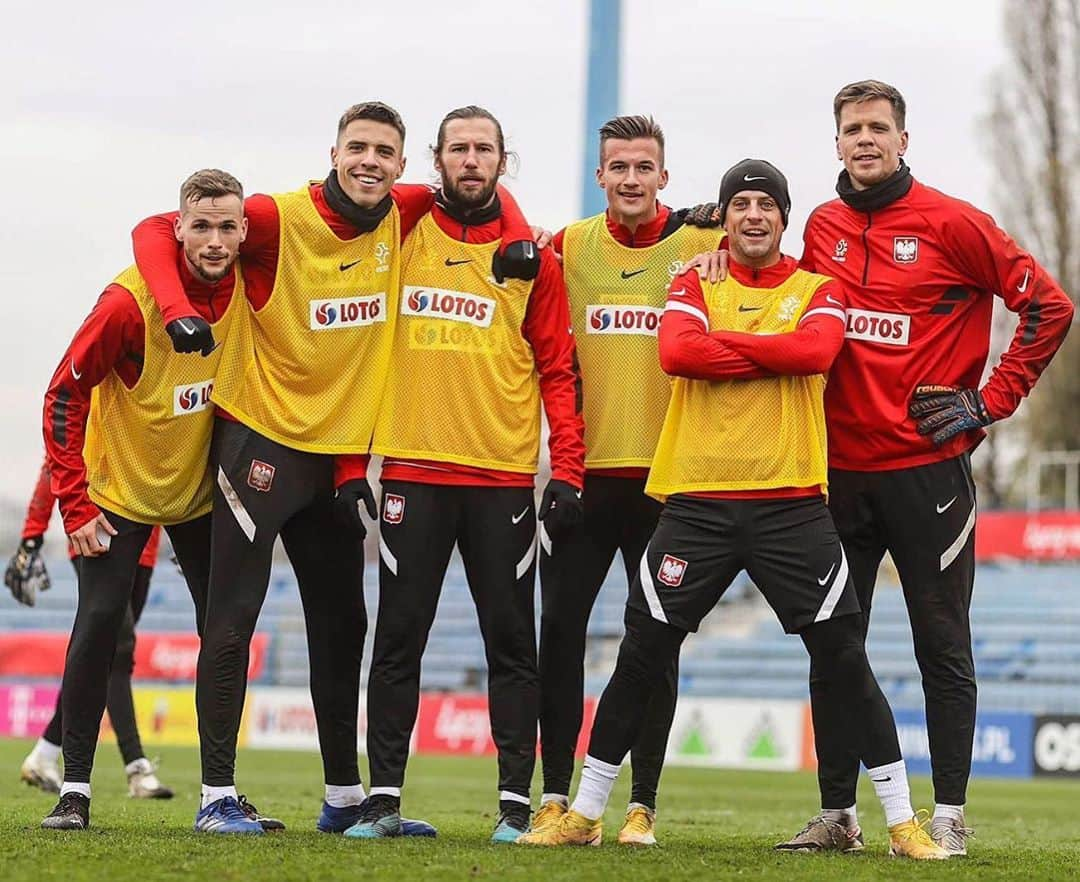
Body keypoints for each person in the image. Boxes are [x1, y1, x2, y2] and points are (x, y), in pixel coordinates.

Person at [519, 159, 948, 860]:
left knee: (844, 659)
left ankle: (902, 823)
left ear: (784, 217)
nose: (754, 215)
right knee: (640, 657)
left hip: (792, 506)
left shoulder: (819, 287)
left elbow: (817, 350)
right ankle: (587, 811)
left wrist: (738, 348)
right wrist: (773, 353)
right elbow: (679, 351)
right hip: (697, 503)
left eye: (766, 205)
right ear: (725, 216)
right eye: (741, 204)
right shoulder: (692, 282)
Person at [131, 102, 536, 836]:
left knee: (343, 624)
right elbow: (159, 228)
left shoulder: (400, 210)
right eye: (358, 147)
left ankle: (346, 801)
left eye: (385, 150)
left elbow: (481, 185)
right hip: (261, 445)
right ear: (334, 151)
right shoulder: (278, 216)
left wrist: (512, 232)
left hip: (337, 464)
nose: (371, 161)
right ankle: (216, 797)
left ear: (403, 164)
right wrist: (169, 308)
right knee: (232, 622)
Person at [694, 80, 1075, 856]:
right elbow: (778, 292)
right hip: (835, 477)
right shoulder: (826, 226)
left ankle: (950, 817)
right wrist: (714, 254)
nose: (864, 138)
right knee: (835, 647)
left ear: (904, 138)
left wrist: (991, 401)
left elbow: (1051, 306)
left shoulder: (955, 223)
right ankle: (838, 815)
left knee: (942, 645)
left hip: (927, 475)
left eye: (878, 127)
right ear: (836, 143)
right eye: (851, 128)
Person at [346, 105, 584, 844]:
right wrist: (358, 463)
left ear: (503, 162)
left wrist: (567, 470)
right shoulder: (403, 226)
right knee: (397, 641)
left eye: (485, 150)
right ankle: (383, 800)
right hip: (413, 476)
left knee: (511, 644)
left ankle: (516, 807)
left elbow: (558, 370)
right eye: (459, 149)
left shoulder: (535, 259)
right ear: (437, 159)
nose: (472, 160)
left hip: (503, 482)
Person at [36, 169, 244, 831]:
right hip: (116, 494)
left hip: (197, 499)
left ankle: (220, 796)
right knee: (99, 624)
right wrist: (74, 502)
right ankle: (73, 791)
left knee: (226, 631)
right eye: (201, 226)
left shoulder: (252, 289)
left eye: (227, 226)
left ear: (245, 232)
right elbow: (61, 395)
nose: (215, 240)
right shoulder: (127, 305)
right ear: (175, 227)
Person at [534, 114, 722, 846]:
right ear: (601, 176)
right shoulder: (570, 246)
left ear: (664, 179)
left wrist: (719, 227)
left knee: (655, 644)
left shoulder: (702, 244)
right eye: (619, 167)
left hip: (669, 485)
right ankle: (555, 796)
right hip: (584, 480)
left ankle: (642, 803)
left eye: (645, 167)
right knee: (559, 637)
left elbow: (773, 263)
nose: (632, 179)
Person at [10, 459, 172, 800]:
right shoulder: (98, 407)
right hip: (95, 531)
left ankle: (44, 753)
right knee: (118, 647)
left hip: (146, 542)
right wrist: (31, 537)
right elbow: (56, 462)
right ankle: (136, 766)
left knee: (103, 654)